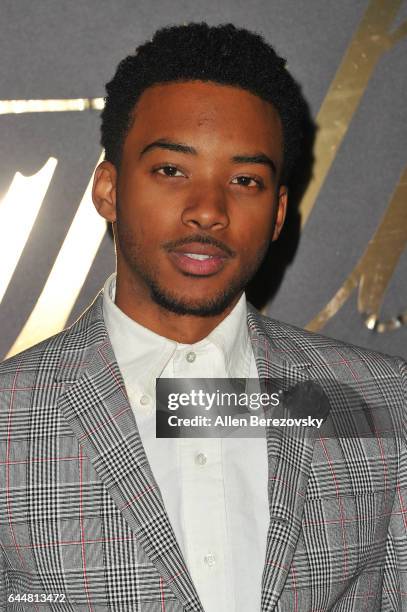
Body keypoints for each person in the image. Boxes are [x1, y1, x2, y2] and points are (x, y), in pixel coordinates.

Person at [0, 22, 406, 612]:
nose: (209, 210)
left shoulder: (377, 404)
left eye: (245, 180)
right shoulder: (9, 419)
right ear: (108, 189)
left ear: (277, 213)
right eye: (171, 170)